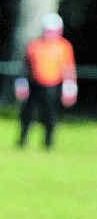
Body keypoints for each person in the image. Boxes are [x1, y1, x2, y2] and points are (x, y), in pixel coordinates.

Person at [17, 13, 77, 149]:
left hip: (53, 86)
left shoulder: (64, 47)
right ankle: (22, 140)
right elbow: (25, 67)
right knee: (26, 114)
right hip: (34, 85)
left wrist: (70, 88)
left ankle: (48, 143)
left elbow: (68, 69)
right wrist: (21, 84)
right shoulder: (34, 45)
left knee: (50, 115)